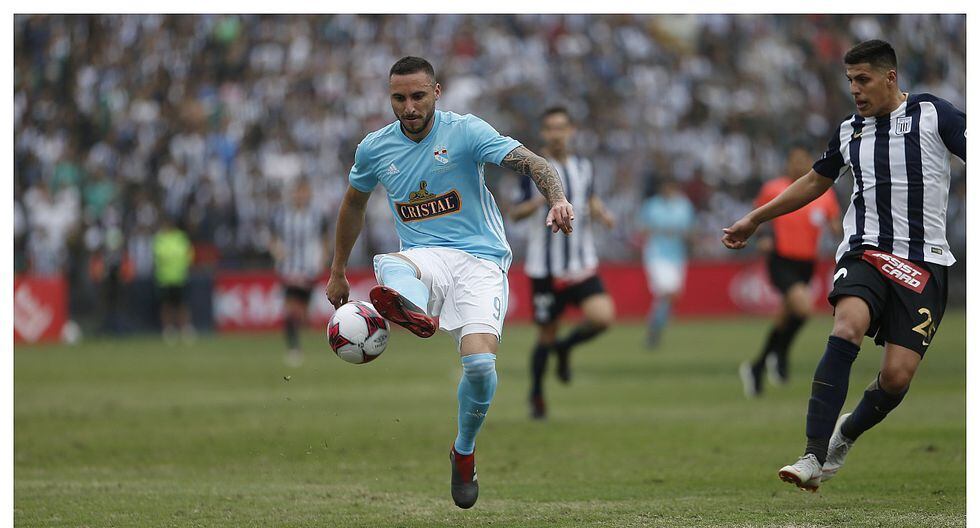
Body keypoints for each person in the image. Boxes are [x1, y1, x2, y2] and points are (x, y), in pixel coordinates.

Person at [326, 57, 574, 509]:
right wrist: (338, 269)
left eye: (418, 96)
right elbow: (353, 204)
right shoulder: (375, 148)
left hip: (481, 260)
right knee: (393, 264)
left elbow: (532, 162)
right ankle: (412, 308)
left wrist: (557, 199)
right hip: (427, 255)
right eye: (399, 98)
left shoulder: (465, 131)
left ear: (436, 93)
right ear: (390, 98)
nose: (409, 107)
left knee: (480, 367)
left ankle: (463, 451)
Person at [723, 39, 965, 492]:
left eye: (863, 79)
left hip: (923, 263)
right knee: (847, 325)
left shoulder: (934, 115)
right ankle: (812, 453)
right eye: (850, 80)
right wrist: (756, 218)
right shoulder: (849, 131)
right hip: (865, 252)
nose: (854, 89)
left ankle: (845, 434)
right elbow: (815, 180)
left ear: (890, 77)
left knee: (896, 377)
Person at [510, 106, 616, 420]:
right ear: (543, 133)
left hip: (581, 263)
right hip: (545, 269)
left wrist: (601, 212)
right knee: (546, 335)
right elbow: (514, 213)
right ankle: (536, 395)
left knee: (603, 318)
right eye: (550, 128)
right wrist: (540, 199)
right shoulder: (532, 168)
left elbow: (589, 197)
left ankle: (566, 348)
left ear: (571, 131)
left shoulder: (584, 167)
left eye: (561, 127)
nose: (556, 134)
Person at [739, 146, 842, 397]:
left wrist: (837, 229)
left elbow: (835, 224)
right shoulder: (774, 188)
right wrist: (763, 238)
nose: (798, 164)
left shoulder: (823, 192)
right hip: (781, 259)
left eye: (803, 159)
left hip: (807, 262)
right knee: (803, 309)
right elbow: (758, 216)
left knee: (785, 317)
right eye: (794, 160)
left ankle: (756, 366)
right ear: (787, 162)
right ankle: (781, 355)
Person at [270, 178, 330, 367]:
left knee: (303, 312)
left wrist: (323, 259)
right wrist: (276, 251)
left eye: (304, 192)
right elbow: (272, 238)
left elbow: (325, 239)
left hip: (309, 269)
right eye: (297, 192)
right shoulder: (281, 215)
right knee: (290, 309)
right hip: (288, 268)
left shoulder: (317, 215)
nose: (300, 196)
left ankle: (299, 342)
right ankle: (293, 348)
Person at [636, 178, 695, 348]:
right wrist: (660, 230)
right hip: (656, 255)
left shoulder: (684, 206)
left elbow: (692, 231)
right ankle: (654, 329)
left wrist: (680, 233)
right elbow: (642, 230)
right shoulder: (652, 206)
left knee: (673, 295)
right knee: (667, 293)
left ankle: (655, 326)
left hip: (677, 256)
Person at [153, 215, 195, 344]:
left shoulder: (180, 237)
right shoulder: (160, 239)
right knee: (166, 305)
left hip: (179, 277)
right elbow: (159, 255)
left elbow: (189, 254)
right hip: (164, 278)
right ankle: (168, 329)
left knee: (182, 304)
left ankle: (185, 328)